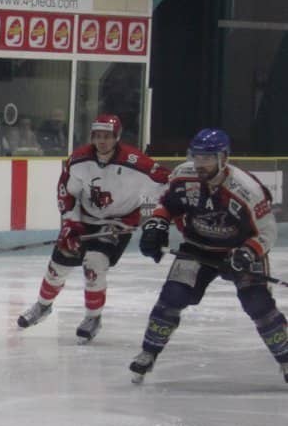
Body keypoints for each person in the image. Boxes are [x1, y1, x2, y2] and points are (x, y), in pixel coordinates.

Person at [129, 129, 288, 384]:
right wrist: (157, 223)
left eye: (208, 158)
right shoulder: (183, 175)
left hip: (240, 249)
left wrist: (248, 252)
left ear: (223, 158)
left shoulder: (247, 189)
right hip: (197, 247)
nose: (201, 164)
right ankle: (148, 352)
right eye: (197, 157)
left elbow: (268, 231)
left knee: (257, 303)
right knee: (173, 296)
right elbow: (167, 203)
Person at [16, 114, 167, 342]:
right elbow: (67, 193)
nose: (102, 141)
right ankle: (43, 306)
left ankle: (93, 317)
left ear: (117, 137)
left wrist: (153, 219)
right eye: (97, 136)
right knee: (58, 265)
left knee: (94, 263)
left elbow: (168, 186)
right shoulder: (79, 160)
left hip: (117, 223)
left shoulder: (136, 162)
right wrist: (70, 223)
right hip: (84, 220)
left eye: (107, 136)